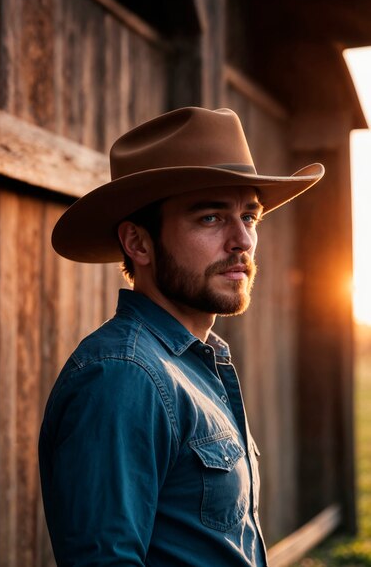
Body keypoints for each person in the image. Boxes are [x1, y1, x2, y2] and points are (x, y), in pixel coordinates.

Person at [39, 106, 324, 566]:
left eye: (249, 217)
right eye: (211, 218)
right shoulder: (122, 377)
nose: (243, 241)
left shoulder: (198, 364)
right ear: (138, 243)